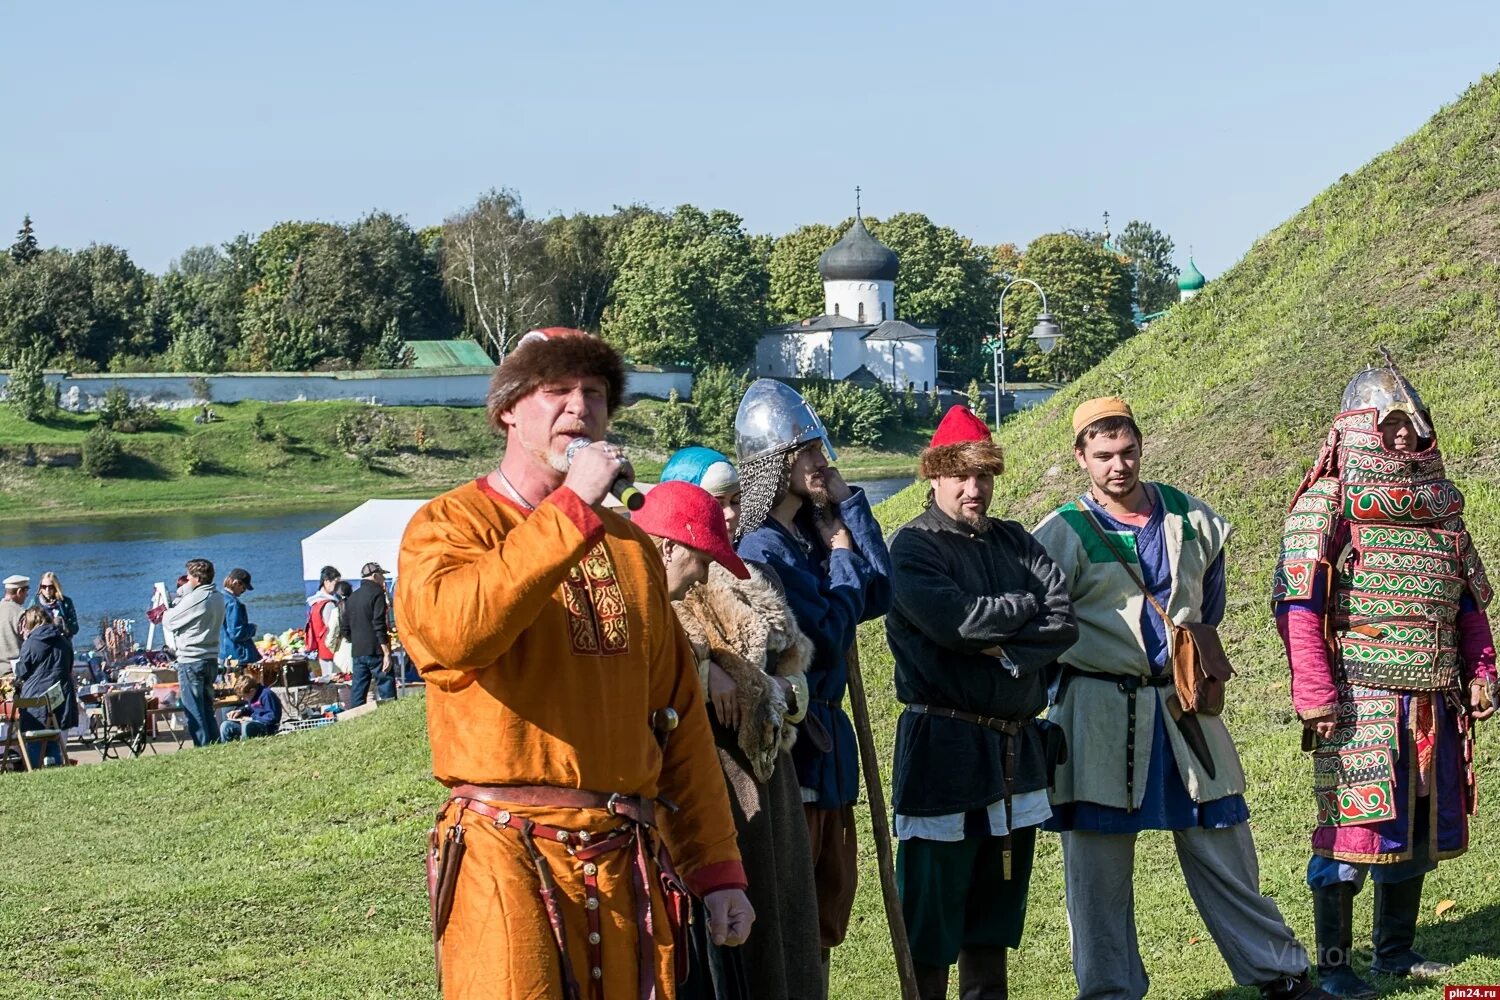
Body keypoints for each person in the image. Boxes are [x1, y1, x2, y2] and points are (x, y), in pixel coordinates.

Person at [395, 326, 752, 1000]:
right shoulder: (448, 526)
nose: (579, 408)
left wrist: (716, 868)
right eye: (555, 390)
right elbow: (450, 638)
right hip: (506, 857)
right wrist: (571, 508)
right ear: (508, 409)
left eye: (594, 393)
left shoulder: (630, 547)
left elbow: (677, 720)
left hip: (625, 864)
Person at [1032, 397, 1333, 1000]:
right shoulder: (1059, 534)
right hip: (1095, 716)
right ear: (1080, 458)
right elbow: (1040, 628)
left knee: (1223, 845)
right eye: (1103, 456)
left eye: (1127, 452)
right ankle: (1109, 991)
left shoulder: (1191, 518)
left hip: (1181, 709)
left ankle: (1281, 974)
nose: (1118, 466)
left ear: (1140, 447)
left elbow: (1210, 605)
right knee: (1096, 873)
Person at [1273, 364, 1496, 997]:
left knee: (1419, 830)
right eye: (1390, 424)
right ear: (1358, 428)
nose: (1403, 436)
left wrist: (1481, 672)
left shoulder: (1442, 508)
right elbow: (1301, 608)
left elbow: (1470, 604)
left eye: (1412, 425)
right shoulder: (1330, 504)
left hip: (1433, 698)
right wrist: (1314, 695)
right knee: (1353, 834)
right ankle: (1338, 964)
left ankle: (1395, 954)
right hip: (1359, 699)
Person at [887, 406, 1078, 1000]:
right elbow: (955, 623)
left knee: (993, 915)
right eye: (961, 477)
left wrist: (1004, 638)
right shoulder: (914, 546)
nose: (975, 490)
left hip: (1014, 752)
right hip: (943, 750)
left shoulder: (1015, 540)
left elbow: (1063, 621)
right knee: (933, 919)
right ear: (936, 477)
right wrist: (1023, 607)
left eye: (984, 477)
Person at [733, 378, 892, 974]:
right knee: (796, 911)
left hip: (829, 748)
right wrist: (844, 552)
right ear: (777, 464)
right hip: (797, 744)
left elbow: (879, 592)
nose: (823, 463)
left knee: (828, 908)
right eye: (811, 453)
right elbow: (825, 635)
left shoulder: (809, 533)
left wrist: (847, 505)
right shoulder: (762, 550)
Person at [648, 472, 824, 1000]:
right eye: (715, 503)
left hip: (769, 771)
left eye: (732, 502)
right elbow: (658, 675)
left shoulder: (747, 582)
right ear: (666, 545)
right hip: (707, 780)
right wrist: (706, 672)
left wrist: (779, 694)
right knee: (714, 955)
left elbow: (795, 661)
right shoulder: (653, 601)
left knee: (782, 918)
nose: (727, 514)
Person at [162, 558, 226, 747]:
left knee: (194, 709)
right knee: (207, 707)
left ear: (197, 578)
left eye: (189, 576)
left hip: (192, 659)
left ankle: (202, 747)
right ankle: (214, 744)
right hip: (211, 657)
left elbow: (169, 620)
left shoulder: (198, 598)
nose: (187, 579)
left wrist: (181, 597)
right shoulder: (218, 596)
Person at [14, 606, 78, 767]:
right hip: (61, 694)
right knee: (55, 738)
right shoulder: (63, 640)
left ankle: (33, 768)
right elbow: (69, 666)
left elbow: (22, 670)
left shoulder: (31, 643)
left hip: (36, 696)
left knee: (35, 740)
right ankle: (55, 766)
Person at [661, 446, 744, 539]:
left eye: (736, 501)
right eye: (716, 505)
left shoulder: (747, 550)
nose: (731, 514)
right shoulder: (649, 552)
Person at [346, 562, 394, 705]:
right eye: (382, 576)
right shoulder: (377, 594)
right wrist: (386, 652)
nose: (383, 580)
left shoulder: (352, 597)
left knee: (358, 691)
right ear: (375, 576)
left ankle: (354, 719)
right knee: (386, 688)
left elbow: (346, 627)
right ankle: (391, 716)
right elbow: (379, 624)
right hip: (376, 650)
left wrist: (355, 640)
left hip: (357, 650)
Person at [305, 565, 343, 678]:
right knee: (338, 681)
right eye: (336, 582)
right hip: (331, 649)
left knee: (328, 680)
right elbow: (333, 627)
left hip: (321, 649)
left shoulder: (315, 603)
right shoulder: (328, 603)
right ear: (326, 581)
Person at [220, 675, 283, 741]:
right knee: (225, 725)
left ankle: (246, 745)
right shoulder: (252, 696)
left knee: (246, 726)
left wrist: (251, 719)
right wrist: (240, 712)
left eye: (244, 696)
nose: (242, 698)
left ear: (252, 691)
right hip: (253, 723)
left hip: (267, 727)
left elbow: (272, 718)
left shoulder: (267, 695)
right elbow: (250, 709)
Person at [220, 567, 261, 670]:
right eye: (244, 587)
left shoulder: (219, 598)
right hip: (237, 655)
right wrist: (252, 628)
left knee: (228, 679)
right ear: (236, 583)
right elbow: (237, 633)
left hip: (222, 653)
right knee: (241, 681)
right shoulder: (233, 603)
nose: (244, 591)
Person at [29, 572, 80, 640]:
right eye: (44, 587)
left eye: (51, 587)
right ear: (40, 587)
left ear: (56, 587)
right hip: (41, 642)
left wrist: (62, 626)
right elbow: (28, 626)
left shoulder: (65, 602)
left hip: (62, 643)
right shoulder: (35, 602)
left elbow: (75, 628)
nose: (47, 590)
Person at [0, 574, 29, 673]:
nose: (27, 595)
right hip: (13, 672)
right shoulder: (21, 614)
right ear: (19, 592)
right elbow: (31, 643)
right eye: (26, 591)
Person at [331, 579, 355, 675]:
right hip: (359, 650)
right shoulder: (358, 608)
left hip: (342, 650)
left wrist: (332, 649)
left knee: (343, 684)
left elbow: (331, 635)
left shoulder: (336, 611)